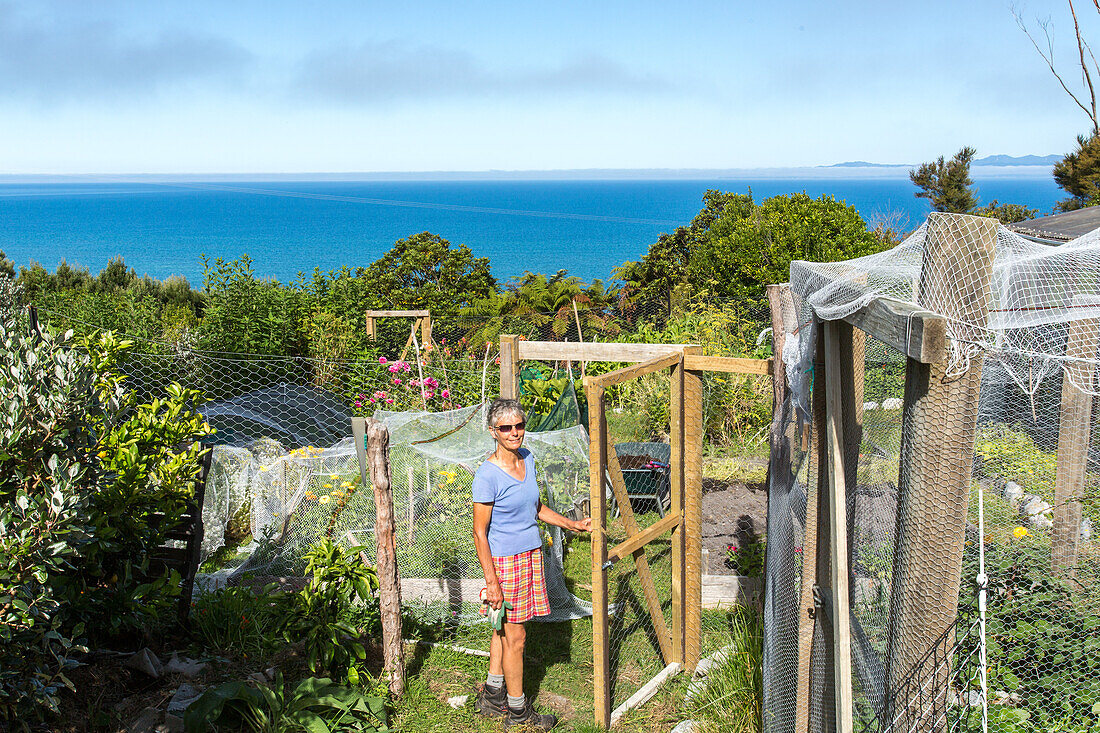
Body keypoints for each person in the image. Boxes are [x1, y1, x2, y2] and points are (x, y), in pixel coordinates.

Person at [471, 398, 592, 731]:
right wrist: (492, 582)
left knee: (503, 627)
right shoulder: (487, 475)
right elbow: (479, 533)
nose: (514, 433)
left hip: (530, 556)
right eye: (505, 428)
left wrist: (573, 524)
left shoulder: (528, 459)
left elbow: (536, 508)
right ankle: (519, 713)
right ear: (493, 432)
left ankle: (494, 694)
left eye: (519, 425)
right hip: (505, 563)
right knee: (517, 638)